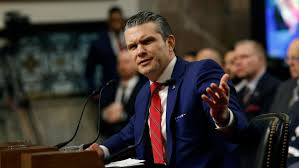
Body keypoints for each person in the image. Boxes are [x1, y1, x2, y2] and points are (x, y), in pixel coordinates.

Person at [88, 11, 247, 167]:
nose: (140, 51)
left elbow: (241, 130)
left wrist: (223, 117)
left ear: (169, 43)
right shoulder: (144, 93)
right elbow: (129, 132)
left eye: (147, 41)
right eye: (133, 46)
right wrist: (101, 150)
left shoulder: (201, 72)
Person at [100, 50, 146, 138]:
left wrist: (122, 116)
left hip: (134, 143)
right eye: (119, 63)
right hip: (110, 142)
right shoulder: (110, 86)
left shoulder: (145, 88)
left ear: (137, 64)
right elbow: (99, 121)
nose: (122, 66)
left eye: (126, 62)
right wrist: (106, 114)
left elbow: (144, 120)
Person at [234, 40, 281, 120]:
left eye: (244, 57)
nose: (237, 62)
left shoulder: (276, 87)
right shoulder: (238, 91)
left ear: (260, 59)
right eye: (235, 58)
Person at [85, 6, 126, 92]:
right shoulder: (98, 43)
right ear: (109, 22)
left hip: (131, 90)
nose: (116, 23)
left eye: (118, 20)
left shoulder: (132, 39)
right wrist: (93, 90)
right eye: (114, 20)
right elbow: (89, 70)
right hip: (108, 90)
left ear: (123, 21)